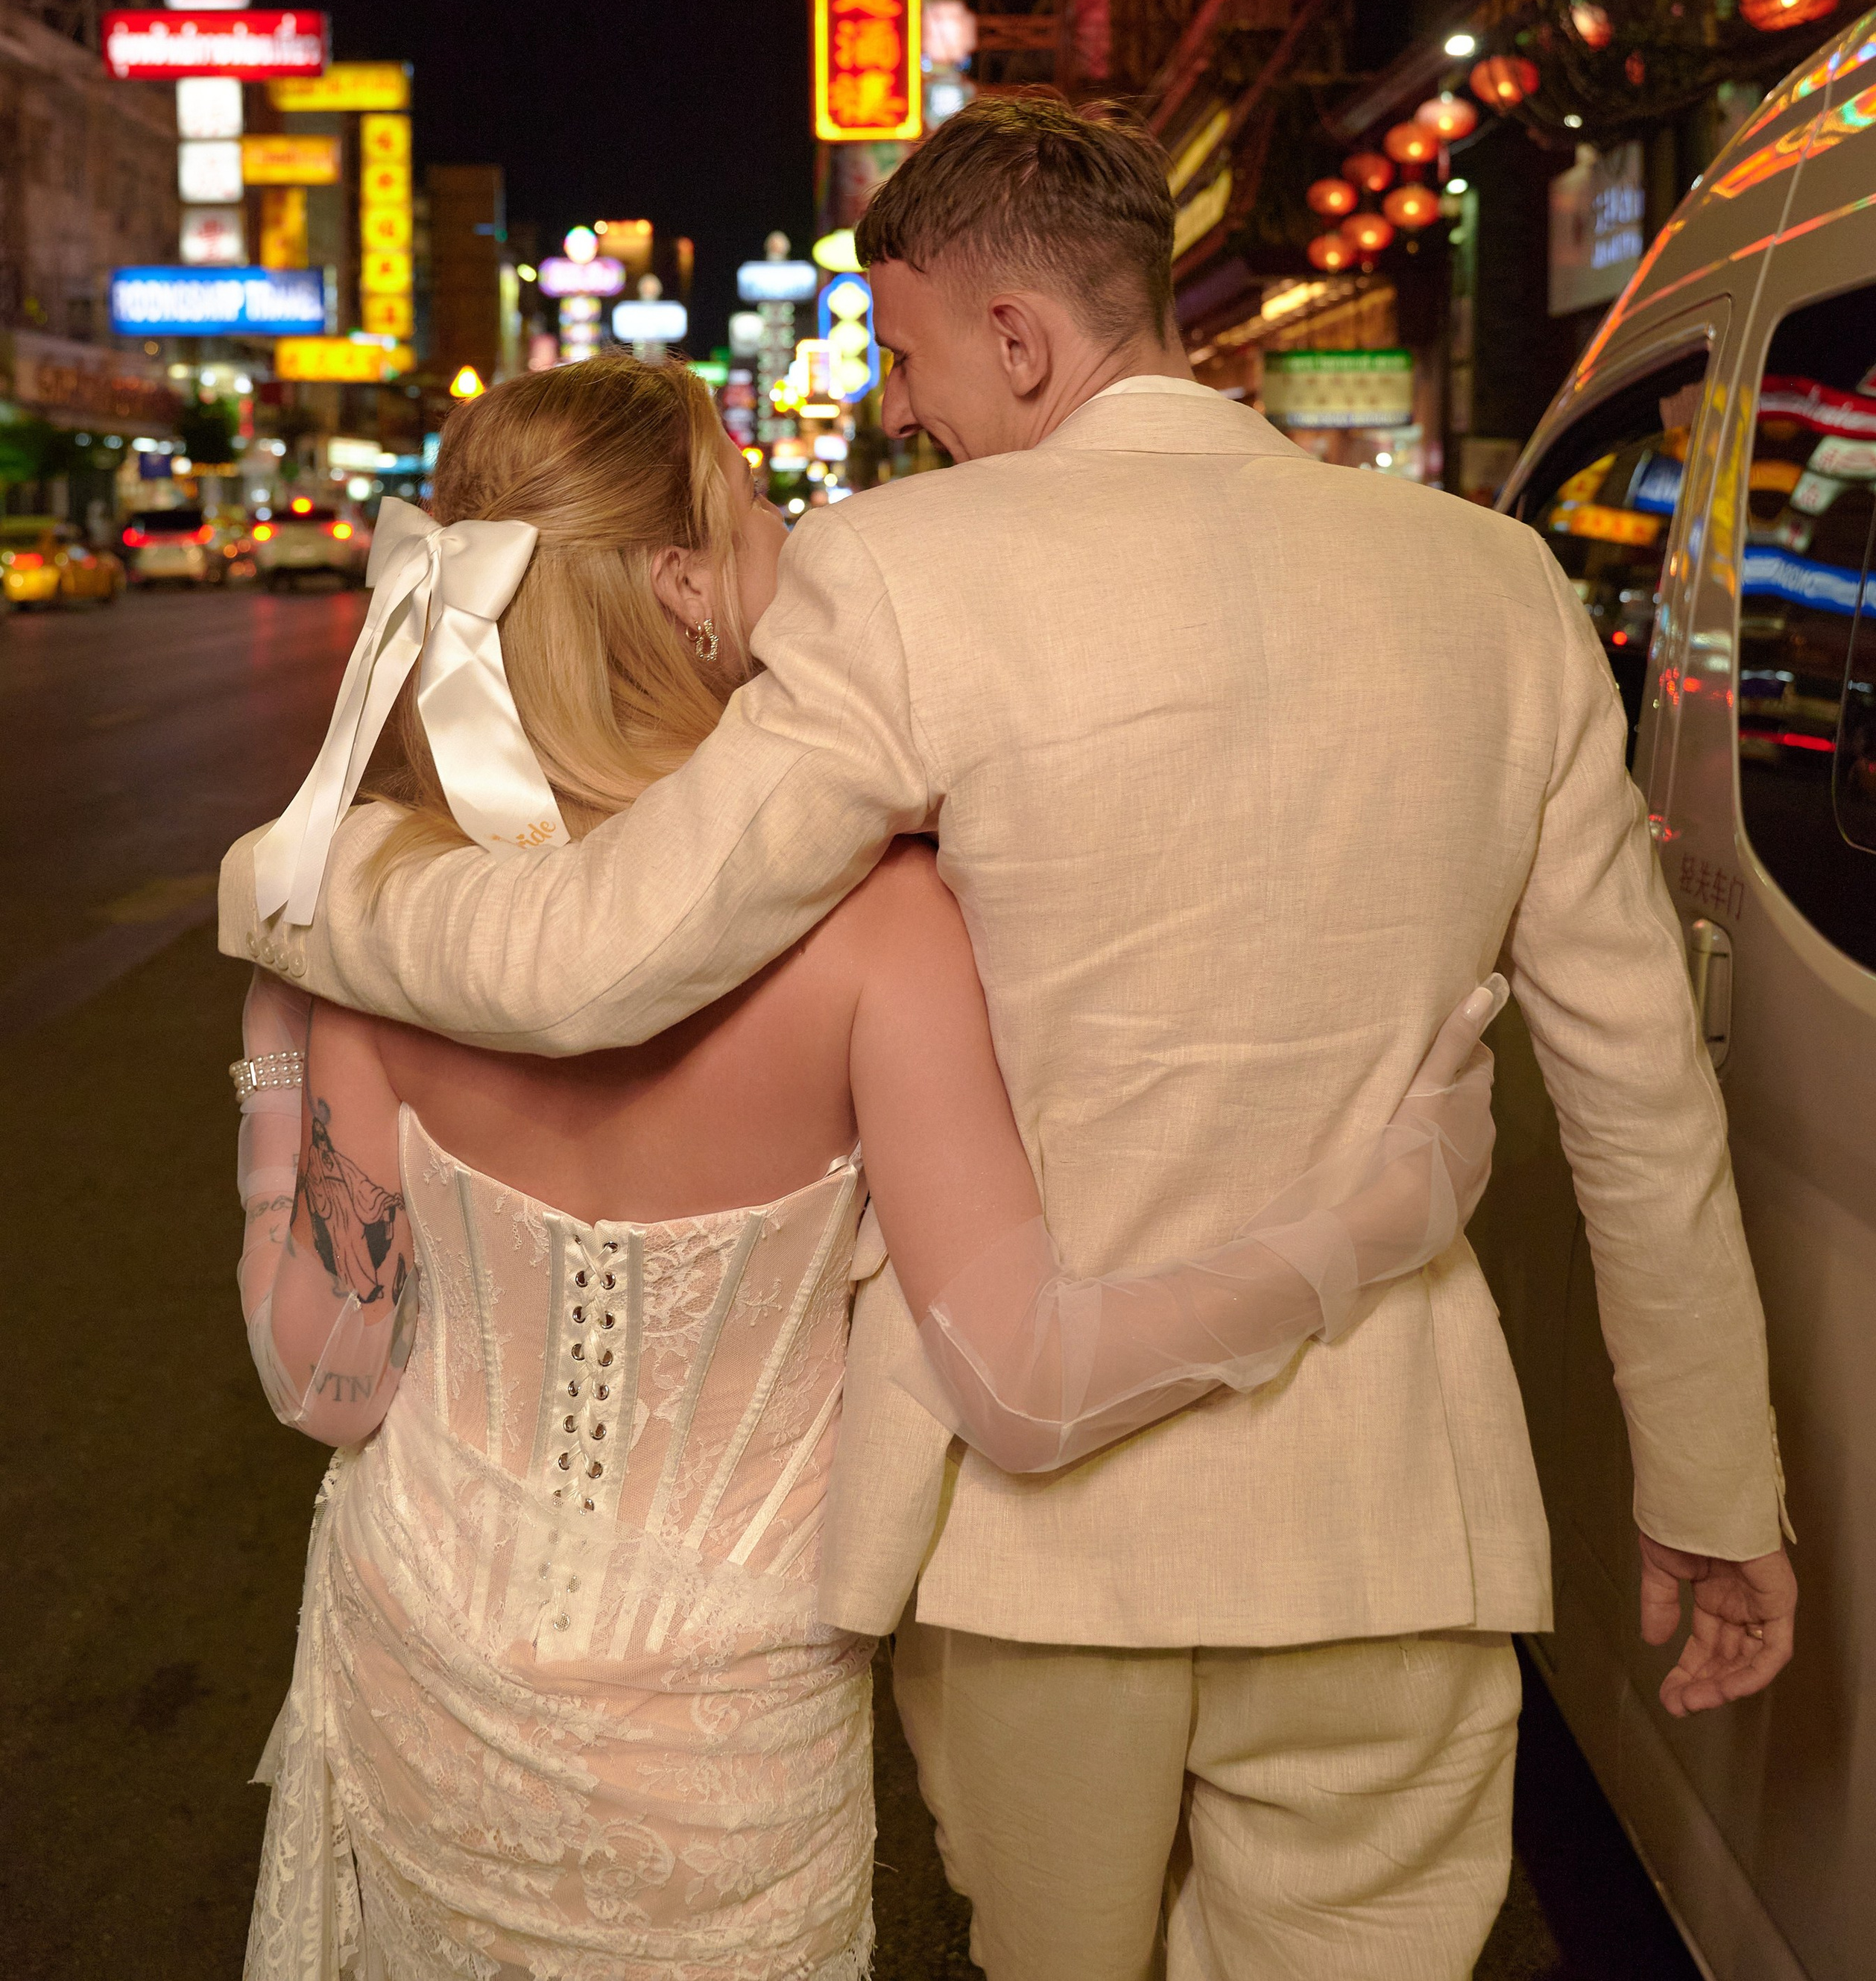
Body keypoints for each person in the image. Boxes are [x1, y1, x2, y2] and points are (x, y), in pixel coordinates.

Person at [224, 95, 1797, 1981]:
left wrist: (297, 894)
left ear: (1020, 340)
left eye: (901, 357)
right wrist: (1709, 1492)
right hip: (1393, 1527)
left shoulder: (904, 574)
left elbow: (593, 966)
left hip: (1026, 1549)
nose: (899, 413)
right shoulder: (1502, 591)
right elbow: (1641, 1101)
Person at [230, 354, 1503, 1980]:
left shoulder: (367, 911)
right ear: (684, 586)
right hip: (722, 1731)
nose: (794, 539)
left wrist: (278, 1072)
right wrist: (1376, 1213)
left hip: (423, 1650)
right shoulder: (874, 923)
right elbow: (1027, 1379)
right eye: (758, 507)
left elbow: (329, 1383)